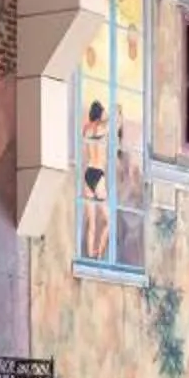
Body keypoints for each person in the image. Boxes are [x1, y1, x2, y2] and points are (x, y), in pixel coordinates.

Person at [79, 99, 111, 261]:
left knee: (91, 221)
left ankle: (90, 254)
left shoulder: (86, 129)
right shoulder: (101, 127)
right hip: (98, 173)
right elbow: (112, 121)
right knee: (107, 220)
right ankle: (99, 254)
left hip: (88, 173)